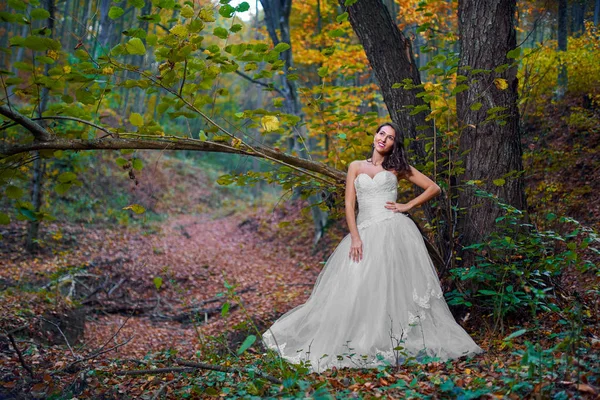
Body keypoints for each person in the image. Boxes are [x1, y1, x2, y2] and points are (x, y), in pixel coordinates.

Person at [262, 122, 483, 373]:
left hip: (393, 231)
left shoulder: (397, 167)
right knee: (357, 286)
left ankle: (392, 340)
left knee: (391, 285)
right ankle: (360, 338)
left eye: (390, 138)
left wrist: (407, 205)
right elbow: (348, 204)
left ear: (394, 144)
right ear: (374, 135)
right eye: (381, 134)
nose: (384, 139)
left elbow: (434, 187)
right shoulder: (355, 166)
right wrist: (355, 237)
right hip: (364, 232)